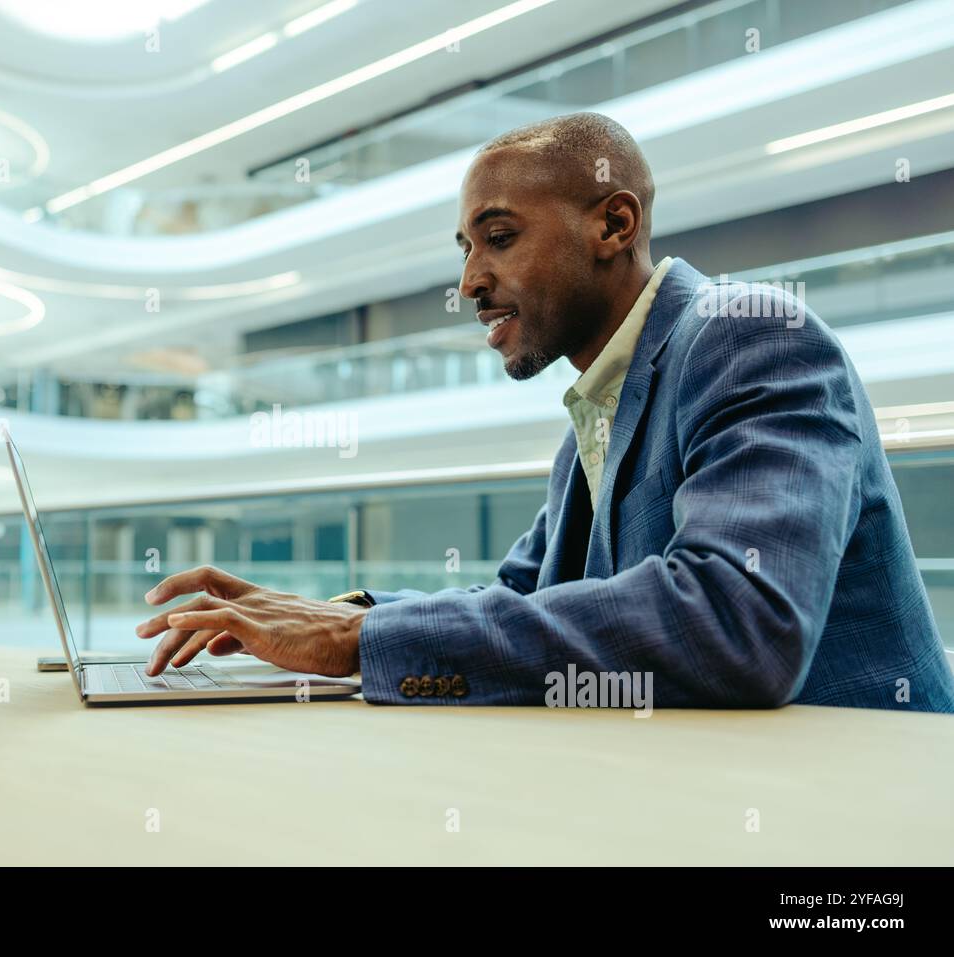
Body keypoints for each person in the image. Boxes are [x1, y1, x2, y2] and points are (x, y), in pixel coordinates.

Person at [135, 112, 954, 712]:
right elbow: (522, 594)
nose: (468, 283)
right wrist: (343, 614)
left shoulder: (748, 337)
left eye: (498, 237)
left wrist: (359, 645)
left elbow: (740, 621)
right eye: (464, 248)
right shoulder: (594, 419)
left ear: (613, 222)